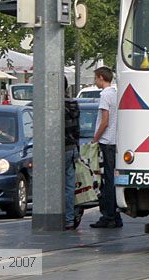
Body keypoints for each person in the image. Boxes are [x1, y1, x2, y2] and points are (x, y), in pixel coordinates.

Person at [90, 66, 121, 229]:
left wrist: (95, 139)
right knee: (112, 179)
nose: (95, 81)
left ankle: (108, 215)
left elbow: (105, 121)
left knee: (106, 180)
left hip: (106, 141)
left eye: (95, 78)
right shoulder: (116, 94)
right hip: (115, 141)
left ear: (101, 77)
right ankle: (115, 215)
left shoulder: (104, 95)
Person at [64, 98, 80, 230]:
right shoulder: (74, 105)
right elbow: (77, 128)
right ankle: (69, 219)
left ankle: (59, 217)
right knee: (70, 186)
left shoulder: (57, 105)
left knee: (55, 185)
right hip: (72, 147)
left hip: (60, 149)